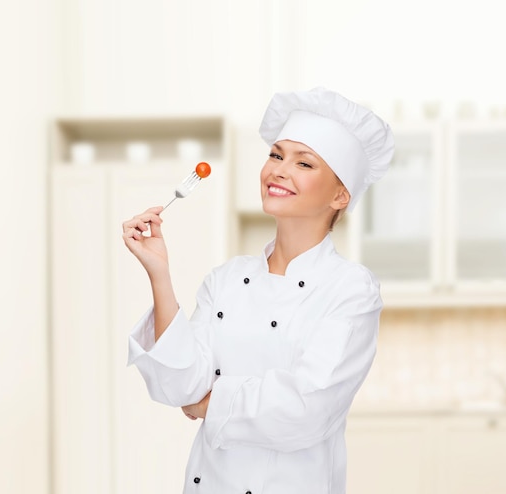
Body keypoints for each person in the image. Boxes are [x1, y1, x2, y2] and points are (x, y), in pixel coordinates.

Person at [121, 87, 394, 494]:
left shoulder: (350, 289)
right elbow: (177, 386)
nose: (279, 170)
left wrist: (209, 404)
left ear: (341, 194)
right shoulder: (227, 279)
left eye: (304, 163)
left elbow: (307, 408)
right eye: (276, 155)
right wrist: (160, 273)